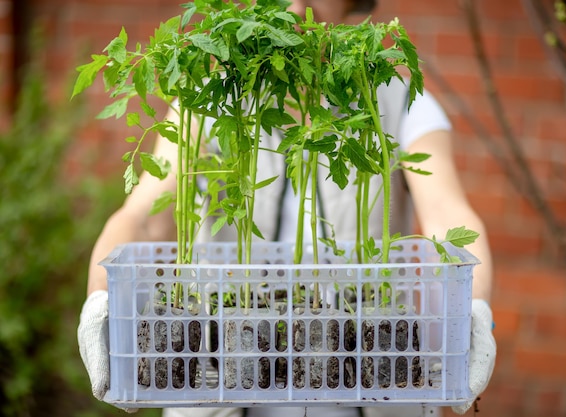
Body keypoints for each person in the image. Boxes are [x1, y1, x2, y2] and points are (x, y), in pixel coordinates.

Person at [77, 1, 497, 416]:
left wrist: (474, 309)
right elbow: (145, 216)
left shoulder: (399, 99)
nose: (295, 6)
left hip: (370, 389)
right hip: (215, 386)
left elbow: (446, 212)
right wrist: (100, 299)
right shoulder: (210, 100)